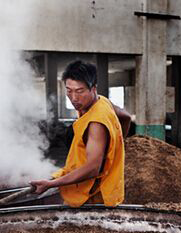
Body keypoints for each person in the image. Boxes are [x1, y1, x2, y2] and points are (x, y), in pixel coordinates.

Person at [30, 60, 132, 207]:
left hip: (93, 196)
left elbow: (92, 169)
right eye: (69, 91)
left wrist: (51, 184)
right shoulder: (103, 101)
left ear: (93, 89)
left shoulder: (96, 122)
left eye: (80, 91)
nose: (74, 98)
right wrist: (114, 148)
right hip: (97, 188)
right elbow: (126, 117)